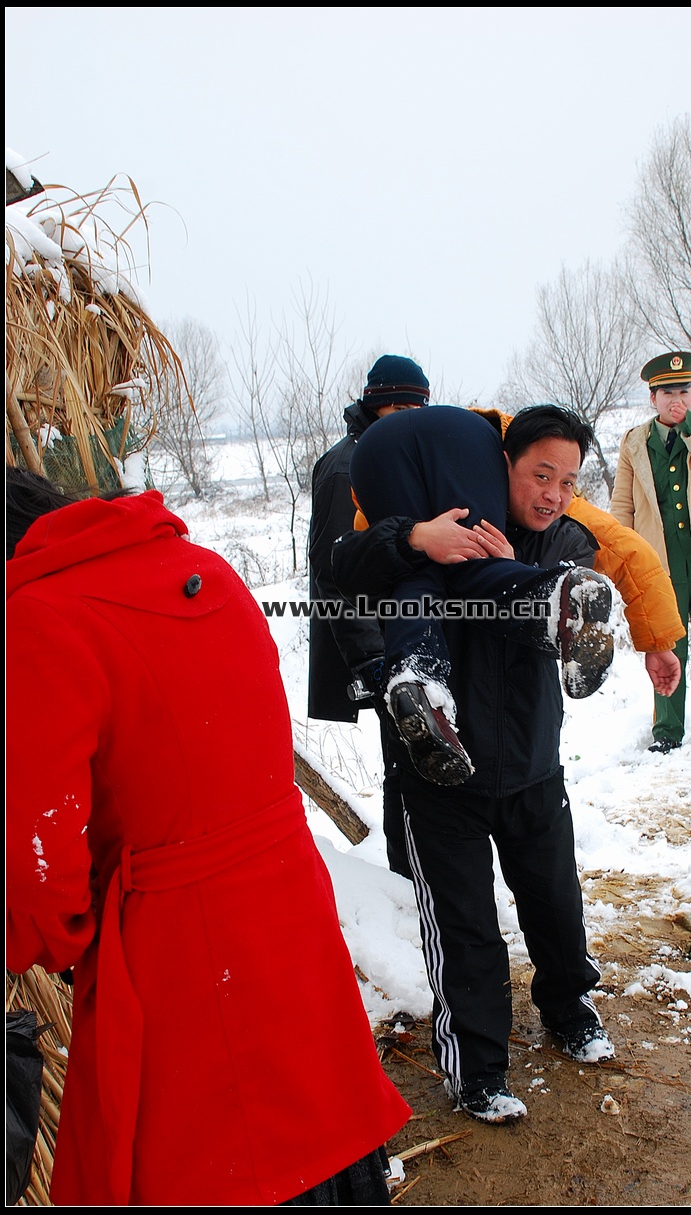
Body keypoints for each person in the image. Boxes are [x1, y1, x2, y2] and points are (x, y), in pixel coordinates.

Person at [5, 468, 411, 1207]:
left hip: (173, 960)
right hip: (289, 921)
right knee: (315, 1135)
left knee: (208, 1163)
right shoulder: (201, 567)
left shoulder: (38, 618)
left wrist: (53, 941)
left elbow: (37, 872)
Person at [331, 405, 682, 1127]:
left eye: (566, 479)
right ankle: (478, 1069)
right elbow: (346, 565)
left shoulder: (566, 536)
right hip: (439, 780)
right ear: (502, 467)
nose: (551, 492)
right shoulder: (432, 525)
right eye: (537, 474)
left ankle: (570, 1012)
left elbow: (619, 567)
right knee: (464, 930)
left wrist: (654, 637)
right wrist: (419, 540)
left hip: (529, 762)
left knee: (554, 905)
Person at [307, 354, 430, 877]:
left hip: (410, 633)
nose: (408, 415)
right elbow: (333, 571)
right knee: (406, 767)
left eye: (418, 406)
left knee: (422, 761)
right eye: (398, 405)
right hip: (380, 644)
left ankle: (424, 869)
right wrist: (371, 659)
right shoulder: (346, 466)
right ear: (375, 405)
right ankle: (409, 879)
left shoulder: (398, 454)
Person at [610, 351, 691, 754]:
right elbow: (622, 504)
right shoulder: (634, 442)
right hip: (660, 565)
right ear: (653, 398)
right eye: (667, 392)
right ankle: (667, 731)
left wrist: (690, 429)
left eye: (684, 390)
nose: (675, 399)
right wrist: (621, 557)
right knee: (666, 644)